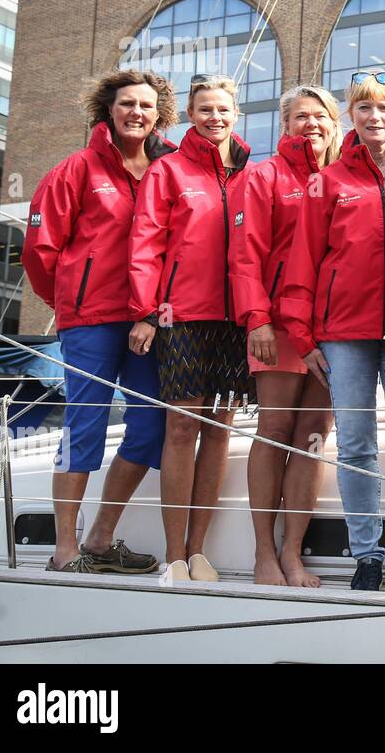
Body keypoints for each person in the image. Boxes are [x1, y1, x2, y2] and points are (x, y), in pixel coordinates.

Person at [23, 69, 178, 574]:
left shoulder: (169, 169)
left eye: (146, 106)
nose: (137, 112)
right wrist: (71, 302)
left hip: (148, 322)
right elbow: (40, 252)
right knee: (84, 425)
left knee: (151, 426)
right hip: (90, 320)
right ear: (108, 110)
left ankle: (100, 538)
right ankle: (64, 548)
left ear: (159, 114)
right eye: (127, 103)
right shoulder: (76, 170)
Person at [279, 71, 385, 593]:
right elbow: (304, 260)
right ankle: (367, 555)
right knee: (357, 445)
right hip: (345, 333)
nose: (374, 117)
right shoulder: (329, 181)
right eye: (364, 109)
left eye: (383, 108)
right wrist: (303, 336)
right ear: (352, 116)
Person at [128, 74, 253, 586]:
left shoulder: (252, 174)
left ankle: (199, 550)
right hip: (179, 315)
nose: (214, 117)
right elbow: (145, 241)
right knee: (182, 428)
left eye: (222, 109)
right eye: (204, 109)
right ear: (192, 115)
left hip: (235, 318)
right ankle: (173, 554)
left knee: (219, 432)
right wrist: (143, 310)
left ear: (235, 114)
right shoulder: (169, 170)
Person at [229, 85, 342, 586]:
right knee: (274, 431)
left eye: (320, 116)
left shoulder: (343, 177)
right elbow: (245, 253)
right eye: (300, 117)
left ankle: (292, 552)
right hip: (276, 324)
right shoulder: (264, 176)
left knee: (312, 438)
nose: (311, 125)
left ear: (334, 125)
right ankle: (263, 554)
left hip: (335, 327)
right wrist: (256, 319)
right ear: (284, 126)